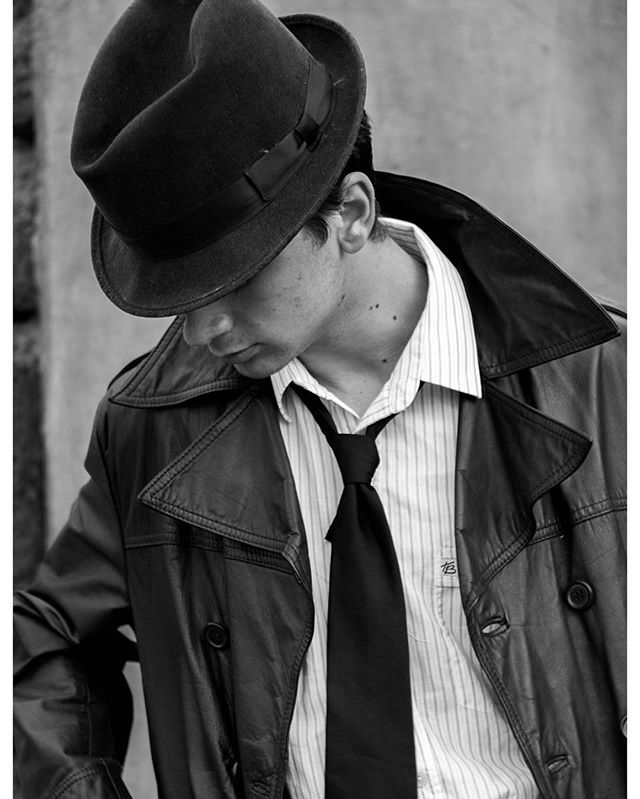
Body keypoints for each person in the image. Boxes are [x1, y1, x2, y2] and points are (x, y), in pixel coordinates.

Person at [13, 0, 626, 797]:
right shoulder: (151, 429)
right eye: (177, 293)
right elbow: (47, 637)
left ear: (352, 213)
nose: (200, 327)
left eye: (231, 276)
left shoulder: (607, 389)